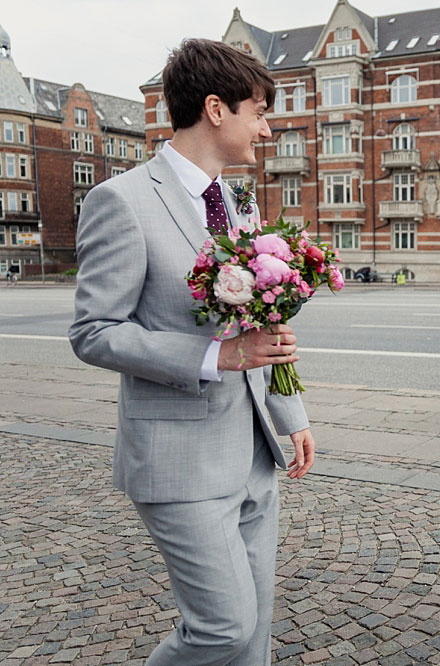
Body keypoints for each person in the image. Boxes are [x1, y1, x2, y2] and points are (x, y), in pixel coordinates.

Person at [69, 39, 317, 666]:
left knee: (255, 633)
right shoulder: (122, 201)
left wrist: (293, 415)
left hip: (255, 453)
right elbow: (94, 331)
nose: (266, 128)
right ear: (214, 108)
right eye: (257, 112)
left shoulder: (238, 204)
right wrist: (215, 358)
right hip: (180, 461)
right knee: (223, 631)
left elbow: (260, 322)